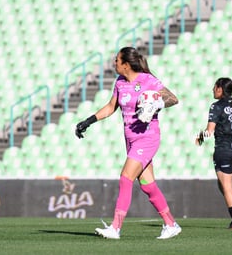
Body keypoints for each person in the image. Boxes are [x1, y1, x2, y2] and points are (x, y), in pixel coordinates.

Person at [75, 47, 181, 239]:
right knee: (148, 185)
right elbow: (110, 107)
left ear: (125, 64)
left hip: (148, 137)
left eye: (117, 60)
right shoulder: (120, 82)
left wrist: (158, 103)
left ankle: (115, 227)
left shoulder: (148, 80)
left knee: (125, 178)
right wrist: (88, 121)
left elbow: (173, 98)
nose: (114, 63)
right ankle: (171, 224)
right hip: (131, 140)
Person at [195, 77, 232, 230]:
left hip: (224, 151)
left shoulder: (216, 106)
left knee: (226, 186)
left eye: (214, 87)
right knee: (223, 184)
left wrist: (200, 136)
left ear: (220, 89)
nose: (213, 90)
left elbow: (209, 131)